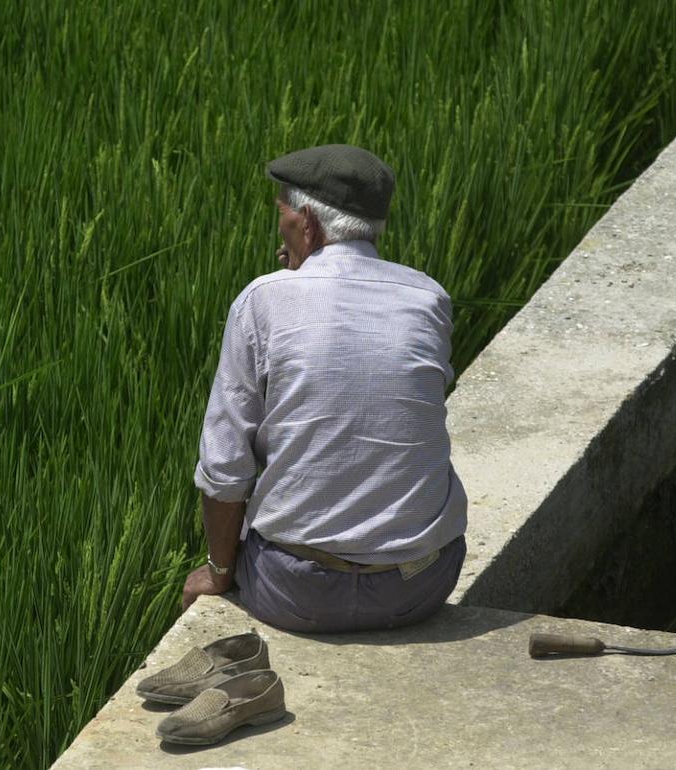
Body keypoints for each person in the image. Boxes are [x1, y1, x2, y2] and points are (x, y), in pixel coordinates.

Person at [181, 144, 468, 633]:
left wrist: (218, 571)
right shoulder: (428, 298)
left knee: (256, 521)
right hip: (419, 586)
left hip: (297, 594)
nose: (281, 225)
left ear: (308, 224)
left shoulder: (263, 300)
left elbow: (225, 468)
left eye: (283, 214)